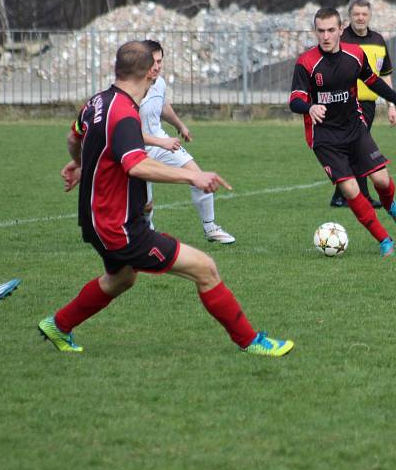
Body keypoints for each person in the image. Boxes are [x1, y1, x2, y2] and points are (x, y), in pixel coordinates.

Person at [42, 41, 293, 356]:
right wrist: (193, 176)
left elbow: (73, 136)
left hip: (95, 220)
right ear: (149, 73)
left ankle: (58, 325)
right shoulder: (125, 114)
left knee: (121, 279)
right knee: (205, 267)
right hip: (119, 226)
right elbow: (136, 164)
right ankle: (252, 342)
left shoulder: (97, 102)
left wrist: (80, 163)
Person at [289, 7, 396, 258]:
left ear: (341, 29)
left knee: (382, 180)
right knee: (351, 191)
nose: (326, 36)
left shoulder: (355, 54)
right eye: (321, 31)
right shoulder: (306, 63)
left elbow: (374, 81)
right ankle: (384, 239)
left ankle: (389, 204)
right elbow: (294, 100)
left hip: (354, 129)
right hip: (325, 138)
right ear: (315, 31)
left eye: (331, 30)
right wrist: (310, 107)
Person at [139, 40, 235, 243]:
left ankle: (210, 228)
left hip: (161, 143)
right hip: (135, 150)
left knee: (198, 176)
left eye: (159, 61)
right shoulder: (130, 91)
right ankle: (146, 231)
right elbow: (125, 133)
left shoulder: (160, 83)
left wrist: (180, 125)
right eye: (152, 62)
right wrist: (159, 142)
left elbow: (163, 106)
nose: (156, 66)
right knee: (145, 204)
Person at [329, 0, 396, 209]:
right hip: (346, 102)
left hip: (368, 104)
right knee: (359, 147)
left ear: (369, 16)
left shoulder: (378, 40)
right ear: (349, 16)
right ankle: (362, 197)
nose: (360, 18)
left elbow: (385, 75)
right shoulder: (342, 40)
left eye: (364, 14)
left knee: (353, 147)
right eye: (356, 14)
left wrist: (391, 105)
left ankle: (341, 196)